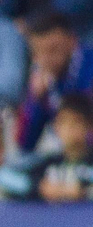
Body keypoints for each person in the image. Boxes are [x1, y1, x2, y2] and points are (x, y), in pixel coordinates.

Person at [15, 12, 93, 155]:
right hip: (64, 155)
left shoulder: (89, 66)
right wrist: (35, 100)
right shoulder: (40, 77)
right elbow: (25, 144)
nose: (45, 59)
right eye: (38, 52)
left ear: (72, 41)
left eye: (53, 49)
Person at [0, 94, 93, 201]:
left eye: (77, 122)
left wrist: (84, 191)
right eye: (64, 122)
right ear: (56, 126)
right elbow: (3, 176)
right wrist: (39, 188)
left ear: (89, 125)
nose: (69, 128)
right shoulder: (48, 163)